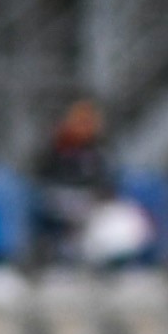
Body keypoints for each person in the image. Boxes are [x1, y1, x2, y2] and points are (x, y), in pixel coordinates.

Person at [29, 97, 125, 267]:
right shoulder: (57, 148)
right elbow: (42, 178)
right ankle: (61, 258)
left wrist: (100, 197)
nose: (84, 126)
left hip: (92, 204)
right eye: (80, 121)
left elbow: (108, 181)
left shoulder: (100, 150)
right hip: (59, 200)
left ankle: (109, 263)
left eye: (88, 122)